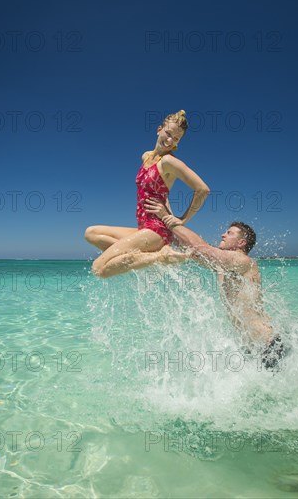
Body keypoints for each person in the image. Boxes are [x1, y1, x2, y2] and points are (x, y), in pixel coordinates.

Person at [144, 198, 286, 370]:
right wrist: (166, 215)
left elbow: (202, 249)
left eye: (229, 233)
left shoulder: (243, 261)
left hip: (269, 346)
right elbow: (193, 250)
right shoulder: (223, 267)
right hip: (250, 347)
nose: (223, 235)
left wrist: (167, 218)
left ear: (241, 243)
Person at [84, 110, 210, 278]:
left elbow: (202, 189)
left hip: (157, 231)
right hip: (143, 226)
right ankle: (149, 256)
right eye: (168, 133)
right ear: (159, 129)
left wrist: (181, 220)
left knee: (99, 269)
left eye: (176, 138)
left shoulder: (169, 162)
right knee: (91, 233)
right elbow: (162, 194)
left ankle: (160, 256)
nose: (170, 140)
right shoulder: (146, 156)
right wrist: (167, 207)